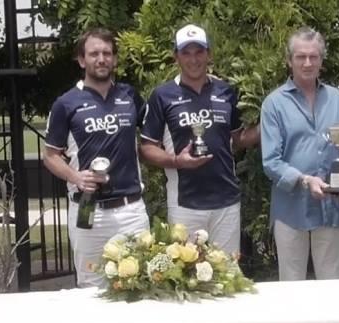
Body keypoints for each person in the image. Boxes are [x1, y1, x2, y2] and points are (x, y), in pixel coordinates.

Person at [43, 28, 149, 288]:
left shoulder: (130, 96)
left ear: (114, 59)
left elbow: (158, 127)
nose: (101, 59)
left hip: (131, 211)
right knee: (91, 290)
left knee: (140, 285)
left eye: (107, 53)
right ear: (82, 60)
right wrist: (75, 177)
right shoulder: (65, 104)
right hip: (88, 211)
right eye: (94, 54)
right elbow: (50, 156)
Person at [140, 24, 259, 255]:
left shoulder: (226, 92)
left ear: (209, 54)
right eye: (186, 52)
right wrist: (177, 161)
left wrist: (268, 126)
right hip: (185, 203)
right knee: (187, 279)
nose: (193, 59)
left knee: (227, 276)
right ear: (176, 56)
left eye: (199, 52)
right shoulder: (162, 95)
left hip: (227, 201)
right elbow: (147, 148)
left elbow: (237, 140)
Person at [260, 27, 339, 281]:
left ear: (322, 60)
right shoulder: (274, 103)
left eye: (314, 56)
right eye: (301, 57)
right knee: (292, 289)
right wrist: (305, 180)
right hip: (291, 209)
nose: (307, 63)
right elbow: (270, 161)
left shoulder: (337, 100)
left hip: (331, 207)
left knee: (333, 287)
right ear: (289, 60)